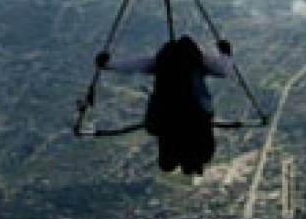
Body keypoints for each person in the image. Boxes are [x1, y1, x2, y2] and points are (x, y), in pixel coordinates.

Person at [96, 35, 232, 176]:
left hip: (168, 119)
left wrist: (108, 64)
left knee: (170, 160)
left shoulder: (162, 63)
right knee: (199, 151)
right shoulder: (198, 61)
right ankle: (191, 162)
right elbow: (223, 70)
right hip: (194, 118)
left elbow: (135, 64)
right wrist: (225, 53)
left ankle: (186, 161)